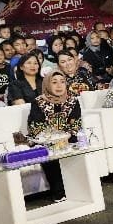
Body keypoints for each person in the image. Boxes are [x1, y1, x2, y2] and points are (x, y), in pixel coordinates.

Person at [27, 70, 83, 200]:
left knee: (78, 145)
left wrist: (66, 136)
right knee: (48, 152)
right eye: (54, 82)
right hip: (46, 139)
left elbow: (76, 123)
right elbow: (36, 126)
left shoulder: (73, 100)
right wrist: (55, 137)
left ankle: (79, 189)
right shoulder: (38, 102)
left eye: (62, 82)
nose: (59, 86)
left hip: (69, 137)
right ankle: (59, 193)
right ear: (47, 84)